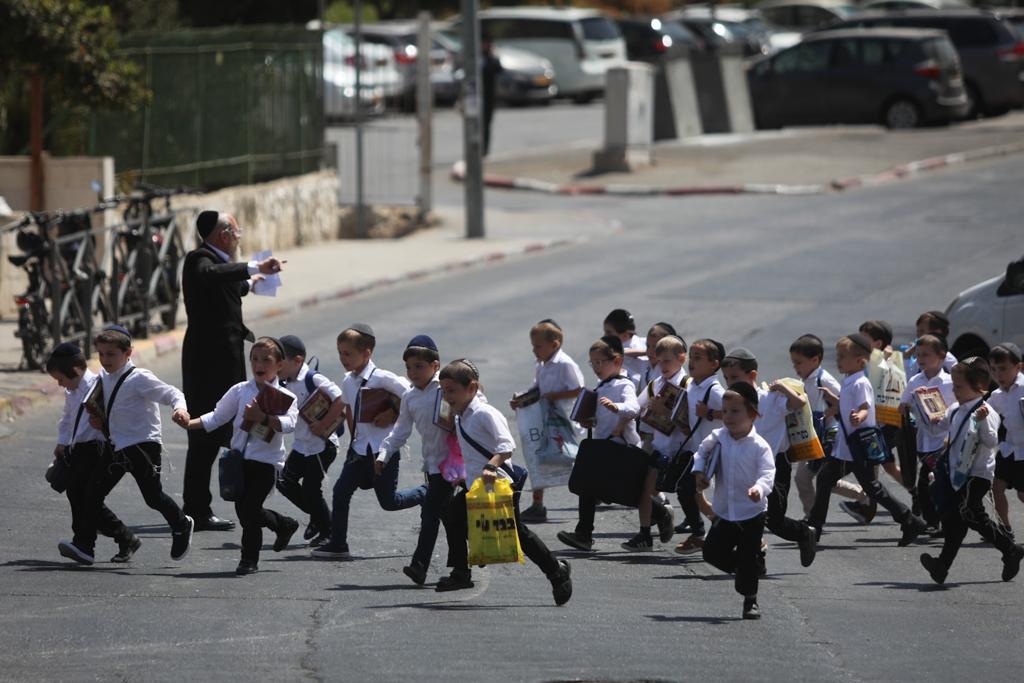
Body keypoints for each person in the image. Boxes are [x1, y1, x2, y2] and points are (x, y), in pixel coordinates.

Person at [438, 358, 573, 605]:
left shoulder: (484, 413)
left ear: (471, 388)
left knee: (517, 533)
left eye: (451, 391)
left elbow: (506, 445)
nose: (447, 397)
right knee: (452, 514)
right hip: (476, 485)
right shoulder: (461, 416)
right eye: (444, 391)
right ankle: (461, 572)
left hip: (500, 483)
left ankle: (556, 571)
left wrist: (491, 466)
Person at [181, 210, 283, 532]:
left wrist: (252, 282)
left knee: (231, 429)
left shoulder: (219, 264)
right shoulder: (199, 260)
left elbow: (230, 284)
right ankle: (197, 509)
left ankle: (238, 499)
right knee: (205, 438)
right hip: (207, 366)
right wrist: (254, 266)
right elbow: (213, 275)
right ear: (224, 235)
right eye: (237, 233)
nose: (239, 238)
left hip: (226, 363)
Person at [61, 325, 193, 565]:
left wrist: (180, 410)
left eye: (111, 354)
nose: (105, 359)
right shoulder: (104, 378)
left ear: (128, 353)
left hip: (142, 446)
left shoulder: (139, 378)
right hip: (116, 446)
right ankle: (85, 547)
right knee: (92, 494)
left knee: (153, 497)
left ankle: (181, 524)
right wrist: (100, 420)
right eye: (101, 354)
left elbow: (172, 393)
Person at [183, 336, 301, 575]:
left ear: (279, 365)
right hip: (238, 462)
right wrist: (189, 423)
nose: (259, 364)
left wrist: (264, 418)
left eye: (266, 360)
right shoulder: (239, 391)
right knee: (246, 511)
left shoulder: (284, 397)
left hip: (266, 463)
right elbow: (217, 416)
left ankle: (249, 559)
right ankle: (283, 524)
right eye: (254, 359)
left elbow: (289, 424)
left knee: (249, 510)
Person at [312, 324, 422, 559]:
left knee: (389, 502)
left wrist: (393, 412)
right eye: (340, 353)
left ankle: (426, 492)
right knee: (340, 492)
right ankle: (338, 544)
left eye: (348, 353)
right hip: (359, 450)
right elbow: (349, 411)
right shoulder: (348, 381)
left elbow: (413, 395)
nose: (343, 358)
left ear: (367, 353)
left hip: (383, 451)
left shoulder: (382, 378)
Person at [807, 334, 928, 546]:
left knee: (870, 487)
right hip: (847, 447)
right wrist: (834, 402)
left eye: (842, 356)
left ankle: (909, 520)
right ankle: (814, 527)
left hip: (857, 447)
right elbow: (847, 405)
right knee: (828, 479)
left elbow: (865, 407)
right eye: (838, 356)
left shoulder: (860, 382)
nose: (838, 360)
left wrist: (859, 416)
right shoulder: (849, 380)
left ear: (859, 361)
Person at [918, 357, 1024, 584]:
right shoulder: (955, 409)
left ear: (978, 386)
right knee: (955, 520)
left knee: (968, 513)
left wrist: (982, 421)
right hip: (957, 474)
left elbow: (991, 441)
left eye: (959, 387)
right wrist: (924, 406)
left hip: (977, 474)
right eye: (954, 386)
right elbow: (936, 429)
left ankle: (1009, 548)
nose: (954, 391)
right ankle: (942, 567)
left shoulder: (987, 411)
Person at [720, 348, 817, 569]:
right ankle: (756, 560)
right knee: (747, 516)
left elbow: (799, 402)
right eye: (726, 378)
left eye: (735, 377)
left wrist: (782, 387)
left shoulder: (770, 398)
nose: (730, 382)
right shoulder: (732, 404)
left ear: (752, 375)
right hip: (745, 465)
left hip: (774, 466)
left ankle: (804, 533)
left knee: (774, 520)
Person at [376, 335, 459, 586]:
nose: (412, 372)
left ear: (435, 365)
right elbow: (400, 430)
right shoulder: (410, 397)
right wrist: (384, 454)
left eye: (419, 366)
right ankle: (461, 568)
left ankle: (420, 566)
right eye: (409, 367)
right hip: (433, 466)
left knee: (431, 515)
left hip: (456, 465)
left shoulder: (445, 389)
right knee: (448, 517)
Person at [47, 343, 138, 564]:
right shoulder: (72, 391)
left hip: (97, 449)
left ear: (75, 370)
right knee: (78, 494)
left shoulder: (99, 387)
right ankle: (124, 537)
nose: (60, 384)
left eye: (61, 379)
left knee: (84, 495)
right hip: (78, 449)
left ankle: (84, 544)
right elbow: (67, 418)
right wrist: (62, 443)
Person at [693, 382, 776, 620]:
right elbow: (701, 452)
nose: (728, 416)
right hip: (724, 510)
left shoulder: (760, 446)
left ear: (753, 414)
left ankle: (750, 600)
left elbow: (767, 474)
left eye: (735, 411)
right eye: (725, 411)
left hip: (752, 512)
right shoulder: (718, 436)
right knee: (711, 553)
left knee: (748, 555)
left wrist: (758, 489)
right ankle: (745, 569)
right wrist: (699, 472)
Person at [556, 335, 641, 552]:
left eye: (600, 362)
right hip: (602, 446)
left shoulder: (624, 385)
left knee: (622, 492)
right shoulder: (601, 386)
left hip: (621, 447)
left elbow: (634, 408)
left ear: (617, 361)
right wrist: (589, 420)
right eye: (593, 363)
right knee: (588, 487)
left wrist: (617, 407)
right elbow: (599, 417)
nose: (596, 367)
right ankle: (583, 534)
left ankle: (658, 513)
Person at [510, 319, 585, 524]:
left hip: (563, 420)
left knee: (570, 459)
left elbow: (578, 389)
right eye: (533, 346)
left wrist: (554, 396)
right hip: (544, 417)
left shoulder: (565, 364)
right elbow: (537, 388)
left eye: (538, 346)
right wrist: (521, 398)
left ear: (554, 345)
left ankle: (592, 493)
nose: (534, 350)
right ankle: (537, 505)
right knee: (539, 456)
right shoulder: (541, 364)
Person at [621, 334, 691, 551]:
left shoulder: (688, 385)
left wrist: (664, 411)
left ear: (682, 358)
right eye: (659, 361)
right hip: (659, 447)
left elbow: (690, 424)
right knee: (643, 488)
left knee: (693, 496)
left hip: (684, 451)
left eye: (667, 361)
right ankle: (645, 534)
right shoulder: (656, 384)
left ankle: (705, 531)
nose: (662, 366)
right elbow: (637, 408)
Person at [275, 334, 345, 547]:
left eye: (280, 361)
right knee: (284, 482)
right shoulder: (282, 382)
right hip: (301, 445)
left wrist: (323, 425)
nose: (276, 366)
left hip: (322, 445)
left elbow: (341, 398)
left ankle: (329, 530)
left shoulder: (312, 378)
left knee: (311, 489)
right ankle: (318, 516)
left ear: (297, 361)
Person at [788, 334, 868, 518]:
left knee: (809, 478)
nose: (795, 367)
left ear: (815, 360)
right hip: (812, 437)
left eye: (799, 363)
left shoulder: (824, 379)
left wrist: (832, 410)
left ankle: (812, 518)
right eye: (793, 363)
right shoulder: (806, 380)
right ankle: (862, 495)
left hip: (829, 437)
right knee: (812, 479)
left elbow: (846, 402)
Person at [674, 338, 726, 555]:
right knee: (692, 493)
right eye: (691, 357)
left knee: (686, 490)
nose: (691, 362)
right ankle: (723, 529)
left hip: (714, 452)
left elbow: (738, 412)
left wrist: (711, 413)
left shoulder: (714, 390)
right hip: (697, 450)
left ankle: (699, 534)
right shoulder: (692, 385)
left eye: (698, 358)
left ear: (714, 364)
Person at [899, 335, 955, 531]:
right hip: (924, 441)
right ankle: (934, 521)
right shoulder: (915, 380)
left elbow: (959, 406)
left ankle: (941, 522)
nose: (920, 359)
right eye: (918, 355)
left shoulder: (950, 382)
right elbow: (903, 405)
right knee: (926, 486)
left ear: (941, 356)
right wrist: (909, 404)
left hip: (945, 441)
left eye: (925, 355)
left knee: (932, 483)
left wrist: (943, 413)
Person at [988, 342, 1024, 531]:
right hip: (1009, 448)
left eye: (1003, 369)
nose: (998, 374)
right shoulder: (997, 395)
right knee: (996, 487)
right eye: (993, 369)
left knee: (1022, 494)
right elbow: (984, 415)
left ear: (1018, 367)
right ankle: (1004, 528)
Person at [638, 323, 683, 453]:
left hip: (671, 442)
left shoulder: (681, 380)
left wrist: (662, 410)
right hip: (649, 434)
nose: (651, 351)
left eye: (656, 346)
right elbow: (636, 406)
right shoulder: (647, 367)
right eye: (648, 346)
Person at [904, 311, 958, 377]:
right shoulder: (918, 361)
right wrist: (907, 358)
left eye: (922, 331)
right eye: (917, 331)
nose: (918, 335)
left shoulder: (949, 361)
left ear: (937, 333)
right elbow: (909, 379)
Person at [603, 308, 647, 389]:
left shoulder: (647, 344)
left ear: (625, 335)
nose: (605, 336)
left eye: (609, 332)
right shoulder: (646, 343)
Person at [481, 32, 503, 157]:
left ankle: (484, 149)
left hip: (488, 97)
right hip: (476, 96)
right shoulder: (474, 57)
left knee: (486, 124)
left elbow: (499, 69)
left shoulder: (491, 58)